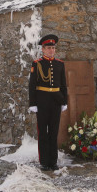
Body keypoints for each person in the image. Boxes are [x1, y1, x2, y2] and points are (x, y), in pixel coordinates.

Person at [28, 34, 68, 171]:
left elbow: (63, 85)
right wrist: (32, 103)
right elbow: (32, 85)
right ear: (43, 49)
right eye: (48, 48)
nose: (51, 50)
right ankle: (44, 162)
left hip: (56, 101)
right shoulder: (37, 64)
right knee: (43, 133)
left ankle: (53, 161)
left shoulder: (60, 64)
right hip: (42, 101)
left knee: (53, 132)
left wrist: (64, 101)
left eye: (53, 48)